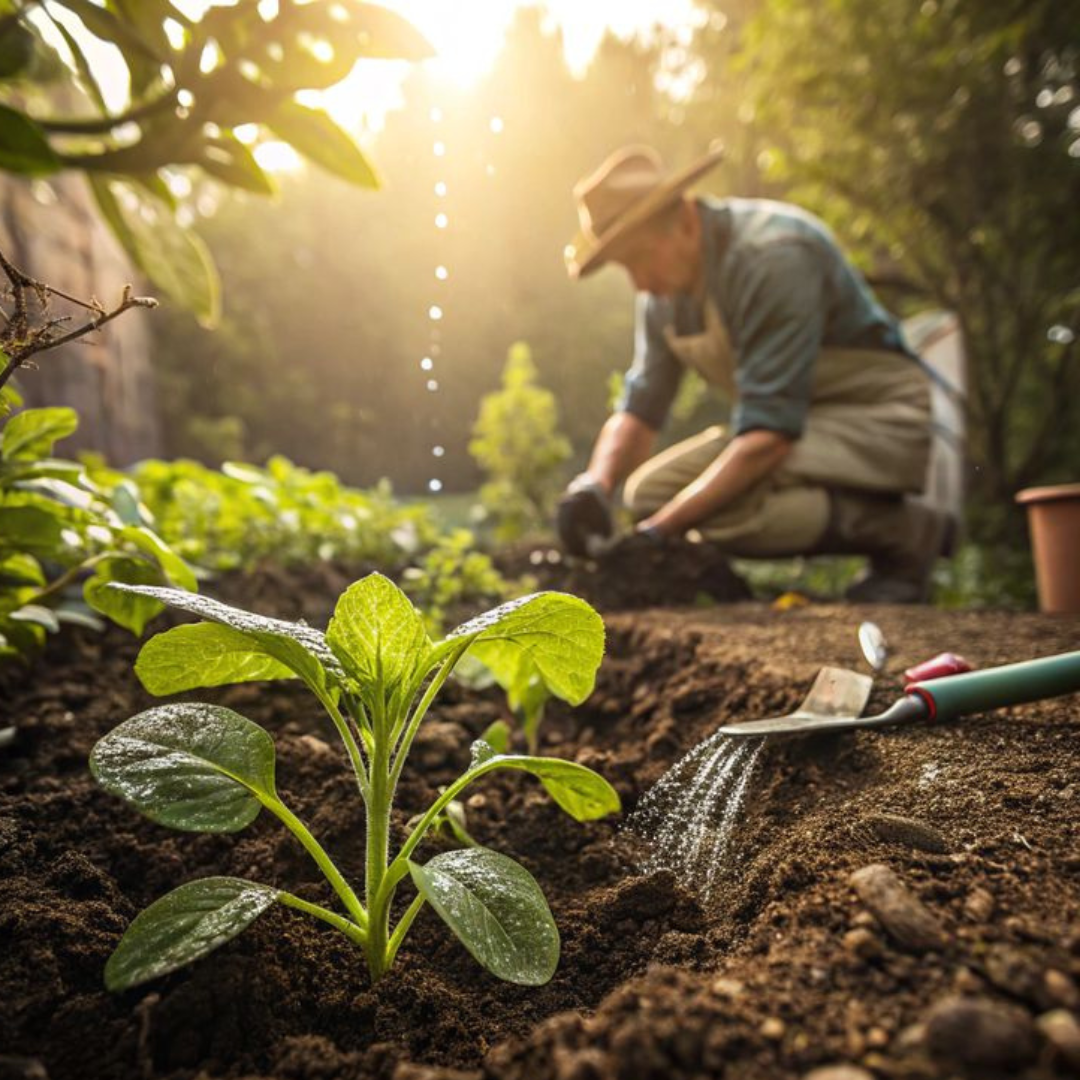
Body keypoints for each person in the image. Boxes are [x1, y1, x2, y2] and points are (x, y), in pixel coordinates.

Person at [555, 142, 949, 603]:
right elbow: (641, 408)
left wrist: (660, 534)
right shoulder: (663, 297)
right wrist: (595, 485)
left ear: (684, 220)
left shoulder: (771, 257)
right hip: (796, 424)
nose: (638, 283)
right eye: (625, 268)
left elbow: (767, 440)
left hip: (877, 418)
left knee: (714, 511)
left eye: (640, 258)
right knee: (648, 494)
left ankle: (903, 535)